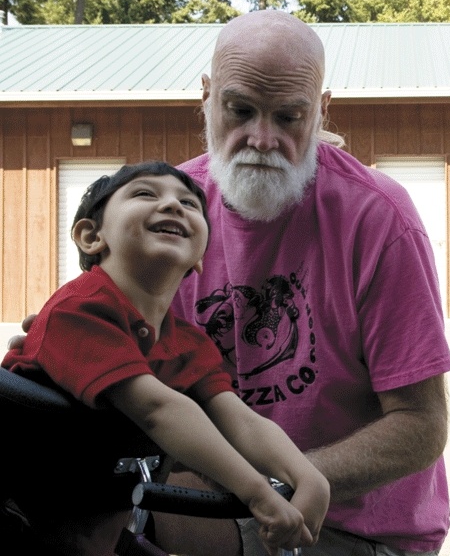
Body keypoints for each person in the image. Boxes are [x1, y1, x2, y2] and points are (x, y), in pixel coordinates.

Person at [8, 9, 450, 556]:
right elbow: (137, 376)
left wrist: (273, 484)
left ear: (322, 110)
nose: (261, 140)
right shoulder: (175, 214)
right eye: (240, 110)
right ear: (206, 96)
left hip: (354, 528)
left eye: (289, 117)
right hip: (203, 503)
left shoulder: (379, 218)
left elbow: (421, 426)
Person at [2, 160, 330, 556]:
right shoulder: (78, 309)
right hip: (22, 520)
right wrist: (258, 494)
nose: (174, 206)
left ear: (200, 257)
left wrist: (307, 475)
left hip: (96, 533)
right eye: (145, 194)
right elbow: (158, 409)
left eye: (190, 204)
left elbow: (238, 419)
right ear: (92, 236)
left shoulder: (186, 342)